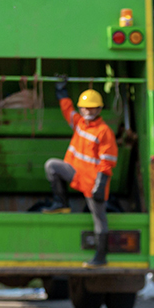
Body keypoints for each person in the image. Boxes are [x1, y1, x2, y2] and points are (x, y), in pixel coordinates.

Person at [43, 77, 118, 268]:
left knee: (99, 218)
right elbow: (68, 110)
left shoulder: (104, 131)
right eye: (85, 108)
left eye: (92, 108)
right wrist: (61, 91)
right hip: (75, 173)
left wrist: (101, 185)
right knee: (51, 165)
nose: (87, 111)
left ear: (99, 109)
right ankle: (61, 203)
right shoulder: (80, 123)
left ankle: (100, 257)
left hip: (93, 182)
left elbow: (108, 161)